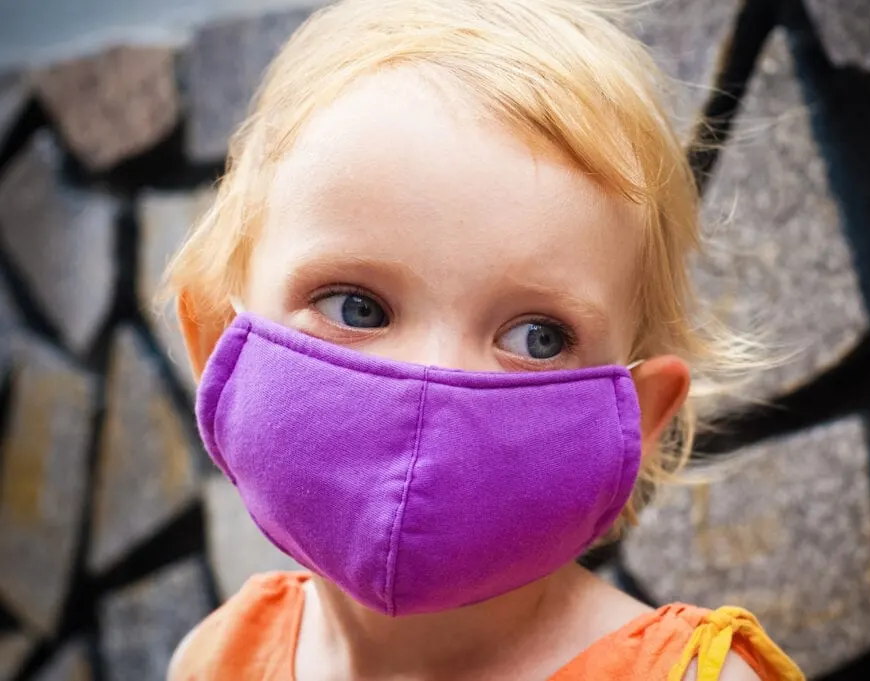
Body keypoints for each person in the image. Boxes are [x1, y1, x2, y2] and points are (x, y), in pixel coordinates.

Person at [162, 0, 804, 678]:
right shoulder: (214, 660)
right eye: (356, 306)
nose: (433, 381)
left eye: (537, 337)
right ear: (218, 350)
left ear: (636, 424)